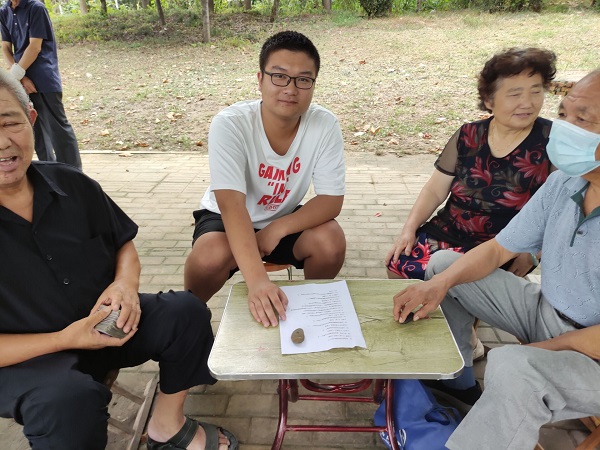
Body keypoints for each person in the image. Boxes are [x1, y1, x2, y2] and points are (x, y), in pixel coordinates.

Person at [0, 71, 237, 450]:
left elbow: (122, 243)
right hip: (23, 360)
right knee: (67, 402)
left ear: (31, 118)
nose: (2, 143)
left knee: (186, 313)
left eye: (8, 122)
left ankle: (166, 425)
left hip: (104, 325)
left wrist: (125, 284)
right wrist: (64, 338)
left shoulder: (72, 184)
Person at [392, 70, 600, 450]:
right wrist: (437, 285)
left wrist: (532, 352)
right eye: (564, 114)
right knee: (443, 266)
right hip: (547, 311)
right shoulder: (566, 182)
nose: (564, 129)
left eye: (582, 119)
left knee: (513, 368)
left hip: (592, 354)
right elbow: (499, 249)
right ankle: (456, 381)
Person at [385, 47, 556, 360]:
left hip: (503, 245)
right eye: (515, 93)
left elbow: (561, 209)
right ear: (489, 100)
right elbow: (435, 190)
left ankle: (460, 342)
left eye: (536, 91)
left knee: (453, 279)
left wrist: (534, 251)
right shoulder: (469, 134)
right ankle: (453, 335)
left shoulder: (551, 142)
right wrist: (408, 229)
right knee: (400, 261)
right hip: (449, 230)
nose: (528, 102)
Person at [184, 31, 346, 328]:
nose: (291, 89)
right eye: (279, 76)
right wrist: (258, 282)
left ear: (313, 85)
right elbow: (231, 205)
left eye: (303, 80)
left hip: (282, 217)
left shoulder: (324, 124)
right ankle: (190, 316)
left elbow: (331, 200)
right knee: (209, 256)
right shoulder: (230, 124)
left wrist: (277, 228)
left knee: (330, 240)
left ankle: (310, 312)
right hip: (226, 217)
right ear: (260, 80)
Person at [0, 0, 82, 169]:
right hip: (21, 80)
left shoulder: (36, 8)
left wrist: (16, 76)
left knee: (58, 130)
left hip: (44, 78)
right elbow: (6, 47)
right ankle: (48, 172)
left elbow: (35, 46)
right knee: (34, 130)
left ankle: (73, 174)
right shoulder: (4, 11)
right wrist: (20, 78)